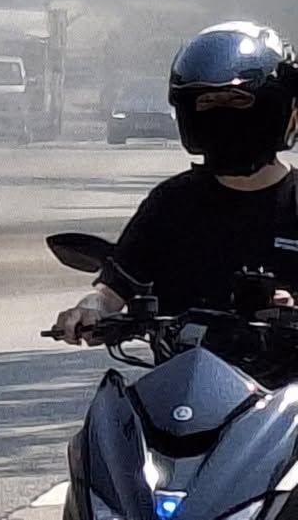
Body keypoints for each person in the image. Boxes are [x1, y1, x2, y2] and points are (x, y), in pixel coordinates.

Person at [54, 21, 298, 345]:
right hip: (183, 385)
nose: (224, 116)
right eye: (208, 104)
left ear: (276, 110)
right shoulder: (172, 204)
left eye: (238, 101)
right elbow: (110, 292)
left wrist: (289, 308)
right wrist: (88, 311)